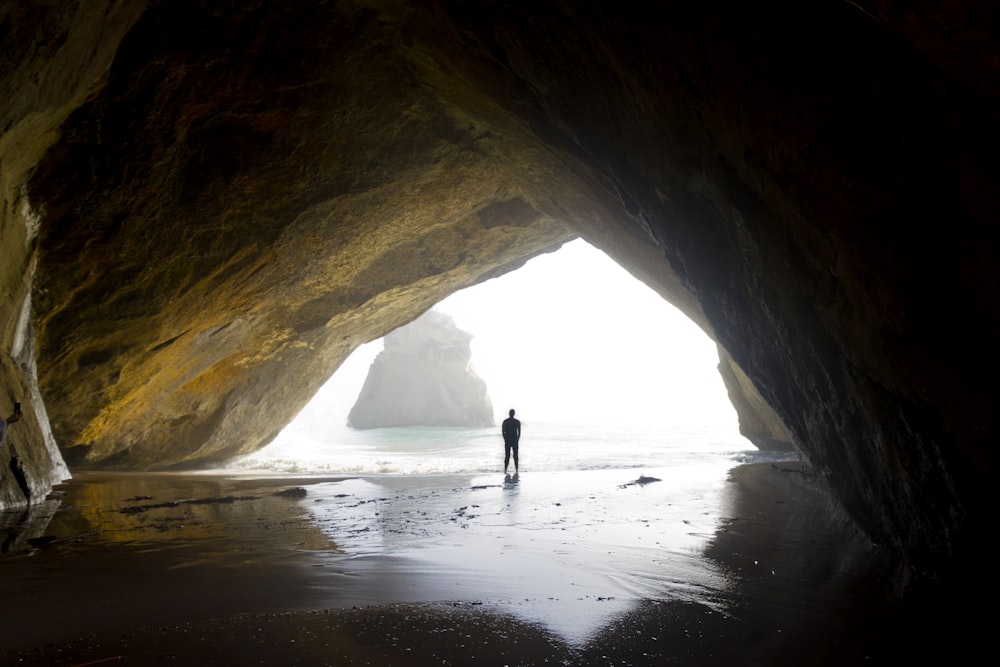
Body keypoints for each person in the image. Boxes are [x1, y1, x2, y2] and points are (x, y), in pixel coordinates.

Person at [502, 408, 521, 475]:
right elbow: (519, 433)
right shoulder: (517, 422)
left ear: (509, 414)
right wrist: (517, 439)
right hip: (514, 440)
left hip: (508, 440)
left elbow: (503, 432)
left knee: (508, 456)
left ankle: (505, 470)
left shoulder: (505, 422)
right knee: (515, 456)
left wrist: (505, 439)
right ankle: (516, 470)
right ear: (514, 414)